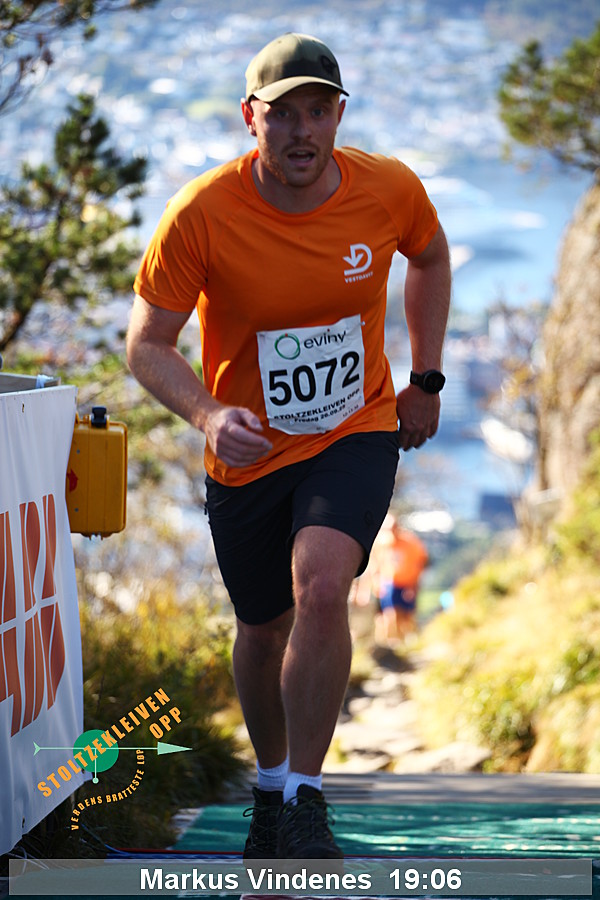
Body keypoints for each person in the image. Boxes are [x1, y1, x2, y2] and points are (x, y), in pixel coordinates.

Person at [126, 31, 451, 859]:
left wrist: (425, 377)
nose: (302, 131)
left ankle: (306, 797)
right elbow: (147, 345)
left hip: (356, 428)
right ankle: (271, 786)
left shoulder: (388, 188)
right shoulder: (202, 212)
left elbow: (429, 255)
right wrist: (208, 416)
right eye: (282, 115)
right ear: (251, 118)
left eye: (318, 111)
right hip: (247, 451)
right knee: (262, 627)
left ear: (339, 115)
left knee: (322, 584)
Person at [371, 516, 429, 643]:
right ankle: (390, 642)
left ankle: (406, 641)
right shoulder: (382, 544)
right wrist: (377, 583)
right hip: (389, 583)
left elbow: (421, 563)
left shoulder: (411, 543)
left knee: (406, 616)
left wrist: (413, 586)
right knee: (389, 614)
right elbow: (376, 565)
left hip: (407, 583)